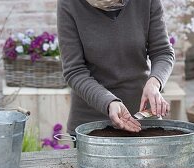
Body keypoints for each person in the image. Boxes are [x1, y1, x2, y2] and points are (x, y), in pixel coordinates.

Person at [57, 0, 175, 138]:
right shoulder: (69, 4)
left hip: (143, 121)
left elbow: (163, 52)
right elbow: (74, 71)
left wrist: (154, 83)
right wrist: (109, 102)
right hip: (91, 127)